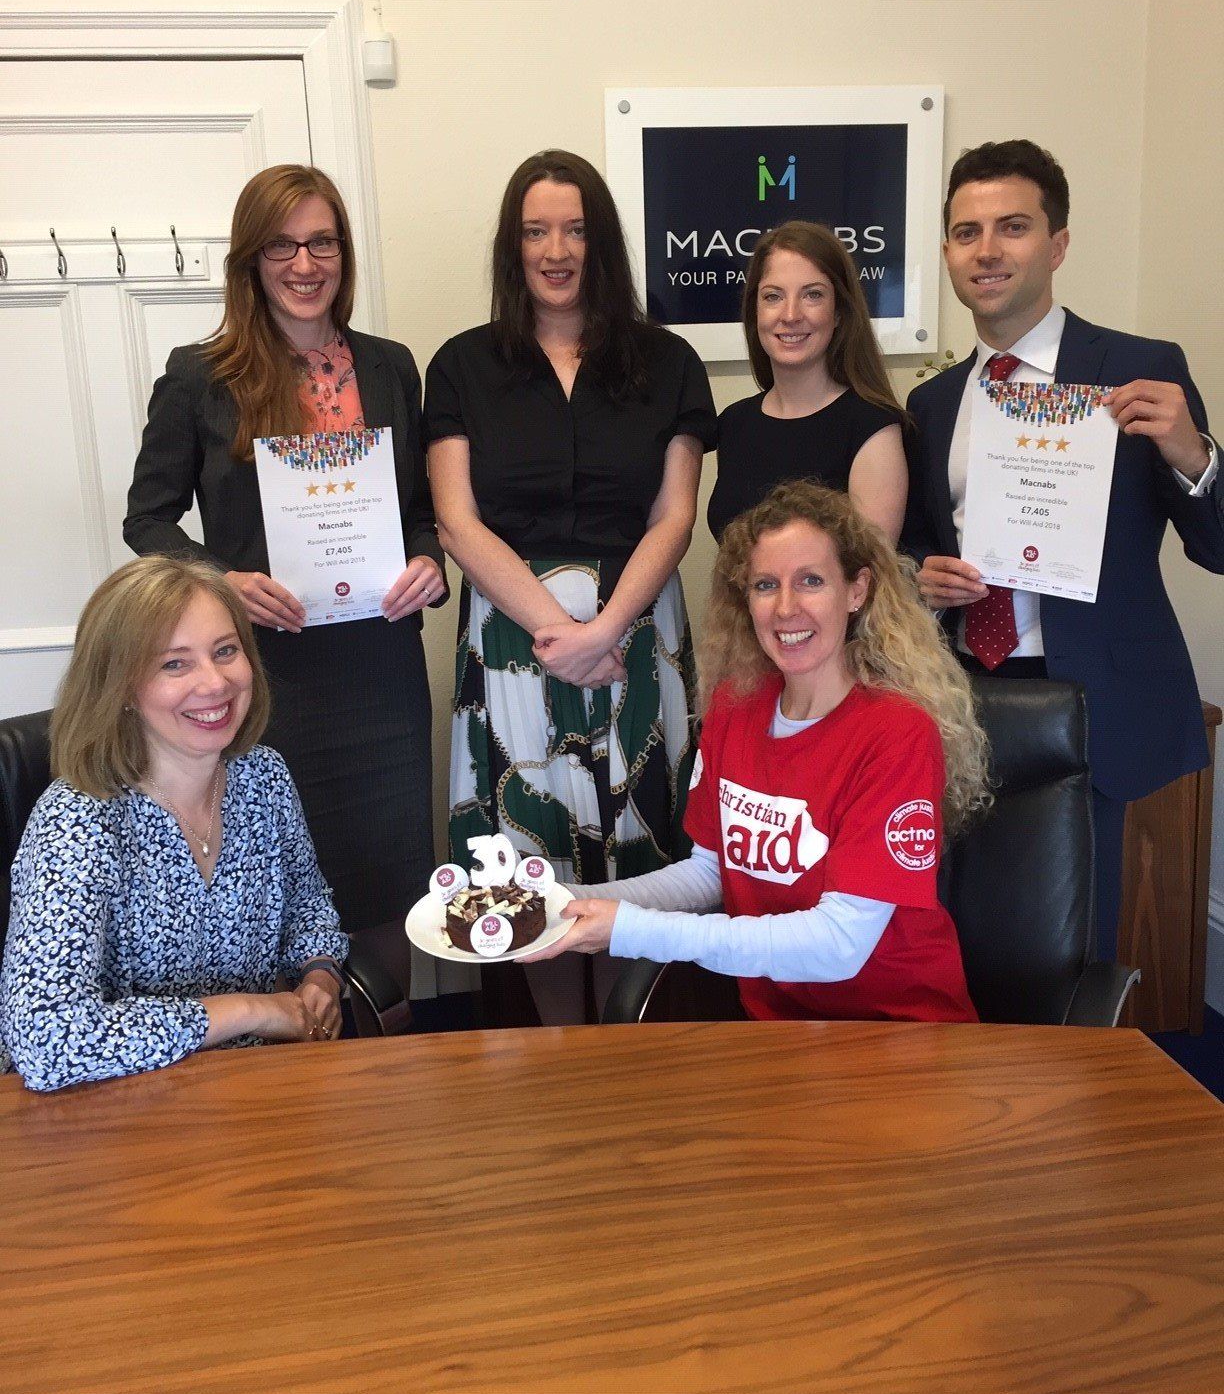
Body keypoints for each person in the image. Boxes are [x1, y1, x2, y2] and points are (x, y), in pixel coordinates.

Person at [903, 139, 1223, 961]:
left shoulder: (1140, 371)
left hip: (1092, 698)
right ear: (946, 251)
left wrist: (1193, 456)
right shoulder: (934, 401)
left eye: (1012, 226)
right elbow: (914, 547)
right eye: (967, 232)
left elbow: (1216, 549)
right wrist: (920, 577)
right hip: (966, 693)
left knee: (1076, 942)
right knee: (963, 932)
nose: (988, 250)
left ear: (1058, 244)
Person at [425, 148, 717, 1024]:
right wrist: (557, 628)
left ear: (603, 243)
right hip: (513, 641)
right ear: (512, 247)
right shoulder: (463, 364)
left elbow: (674, 517)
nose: (556, 249)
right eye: (536, 230)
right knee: (527, 863)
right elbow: (456, 523)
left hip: (638, 636)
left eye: (576, 229)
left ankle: (632, 1042)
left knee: (643, 848)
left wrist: (605, 631)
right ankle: (561, 1044)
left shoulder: (666, 360)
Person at [124, 164, 445, 950]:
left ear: (344, 253)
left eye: (323, 243)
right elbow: (147, 520)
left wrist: (431, 562)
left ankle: (385, 1050)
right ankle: (295, 1056)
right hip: (266, 678)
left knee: (386, 881)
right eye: (283, 246)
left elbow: (423, 513)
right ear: (251, 261)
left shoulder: (391, 365)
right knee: (280, 884)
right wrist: (223, 586)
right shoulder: (200, 375)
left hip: (382, 673)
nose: (306, 265)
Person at [531, 482, 987, 1025]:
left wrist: (628, 929)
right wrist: (565, 900)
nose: (787, 608)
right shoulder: (735, 706)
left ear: (857, 589)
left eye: (811, 581)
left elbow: (839, 943)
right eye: (766, 585)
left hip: (898, 1031)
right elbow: (709, 875)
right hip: (778, 1030)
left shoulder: (897, 733)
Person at [0, 558, 348, 1092]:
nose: (215, 683)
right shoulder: (77, 820)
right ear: (120, 687)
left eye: (225, 651)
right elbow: (45, 1040)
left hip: (255, 1090)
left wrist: (320, 971)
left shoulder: (265, 777)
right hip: (120, 1105)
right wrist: (253, 1011)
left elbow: (307, 905)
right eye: (174, 664)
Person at [706, 220, 907, 543]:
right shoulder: (733, 423)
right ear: (755, 310)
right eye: (773, 297)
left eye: (812, 295)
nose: (790, 314)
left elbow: (869, 575)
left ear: (839, 312)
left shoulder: (873, 426)